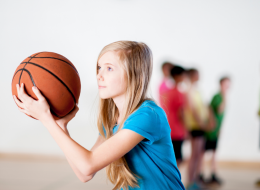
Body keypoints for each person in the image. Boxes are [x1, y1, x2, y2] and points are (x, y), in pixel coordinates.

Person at [13, 41, 185, 190]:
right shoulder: (111, 120)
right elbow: (84, 174)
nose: (99, 75)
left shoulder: (148, 115)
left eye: (109, 68)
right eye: (99, 67)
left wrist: (46, 119)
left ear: (135, 75)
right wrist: (61, 127)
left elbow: (88, 165)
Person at [200, 76, 231, 186]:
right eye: (225, 84)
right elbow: (217, 109)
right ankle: (201, 174)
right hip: (211, 130)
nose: (227, 87)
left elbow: (221, 116)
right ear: (221, 84)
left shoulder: (222, 97)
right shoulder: (218, 97)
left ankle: (213, 174)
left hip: (216, 130)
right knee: (204, 152)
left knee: (214, 152)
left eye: (229, 84)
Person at [184, 68, 209, 190]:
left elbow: (202, 107)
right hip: (195, 127)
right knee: (194, 155)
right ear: (193, 76)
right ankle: (190, 181)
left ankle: (196, 179)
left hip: (200, 126)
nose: (199, 76)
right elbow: (192, 109)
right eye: (197, 74)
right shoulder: (189, 91)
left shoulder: (197, 90)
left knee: (198, 154)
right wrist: (201, 123)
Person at [162, 65, 188, 166]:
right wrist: (186, 128)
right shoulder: (179, 93)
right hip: (177, 130)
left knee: (171, 157)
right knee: (178, 159)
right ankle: (173, 181)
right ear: (177, 76)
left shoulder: (167, 92)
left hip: (168, 127)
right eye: (183, 75)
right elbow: (180, 113)